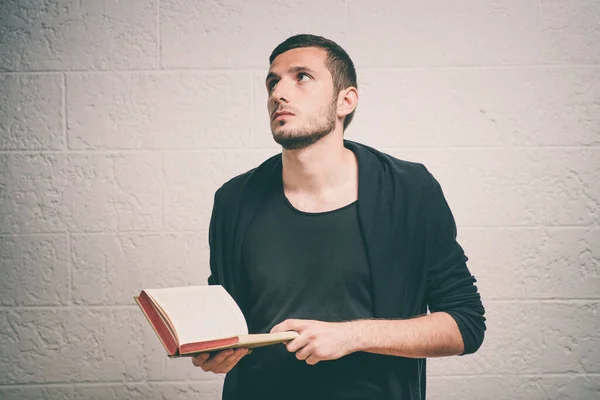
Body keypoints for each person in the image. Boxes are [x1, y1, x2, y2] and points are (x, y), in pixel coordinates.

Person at [192, 34, 486, 400]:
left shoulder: (409, 190)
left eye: (301, 77)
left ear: (345, 100)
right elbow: (228, 324)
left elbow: (465, 325)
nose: (278, 92)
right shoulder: (234, 199)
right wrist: (217, 352)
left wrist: (350, 335)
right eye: (273, 81)